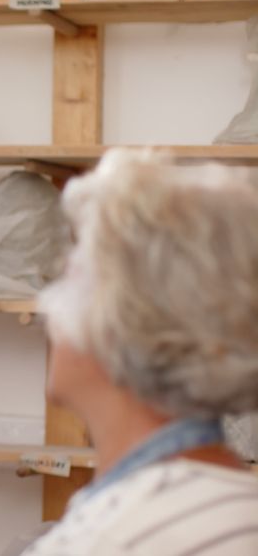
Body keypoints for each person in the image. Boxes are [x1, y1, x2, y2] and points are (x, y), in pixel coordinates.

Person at [21, 149, 258, 555]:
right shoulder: (238, 505)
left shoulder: (109, 541)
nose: (47, 304)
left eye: (71, 276)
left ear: (126, 322)